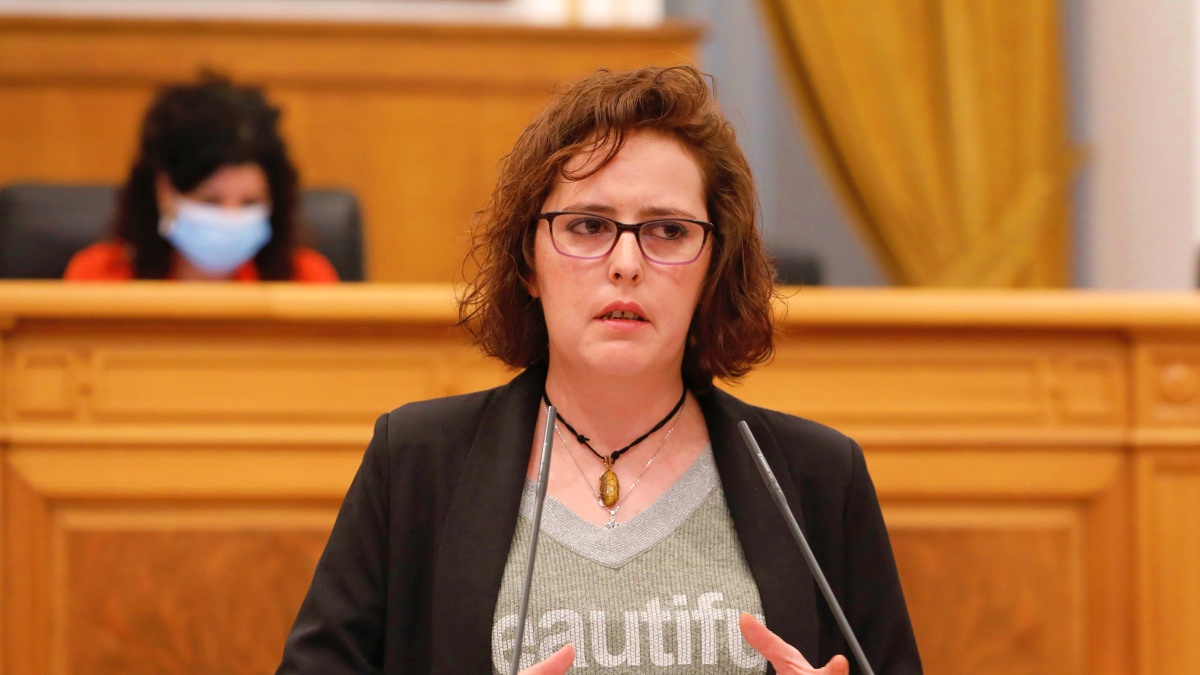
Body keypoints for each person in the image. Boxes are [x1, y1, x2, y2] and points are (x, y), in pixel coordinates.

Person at [276, 66, 921, 674]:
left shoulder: (820, 477)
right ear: (529, 263)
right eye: (588, 225)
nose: (626, 264)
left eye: (668, 231)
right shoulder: (416, 463)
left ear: (713, 268)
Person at [64, 75, 338, 282]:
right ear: (164, 191)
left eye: (250, 202)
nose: (231, 218)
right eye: (211, 201)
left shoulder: (306, 280)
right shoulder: (100, 278)